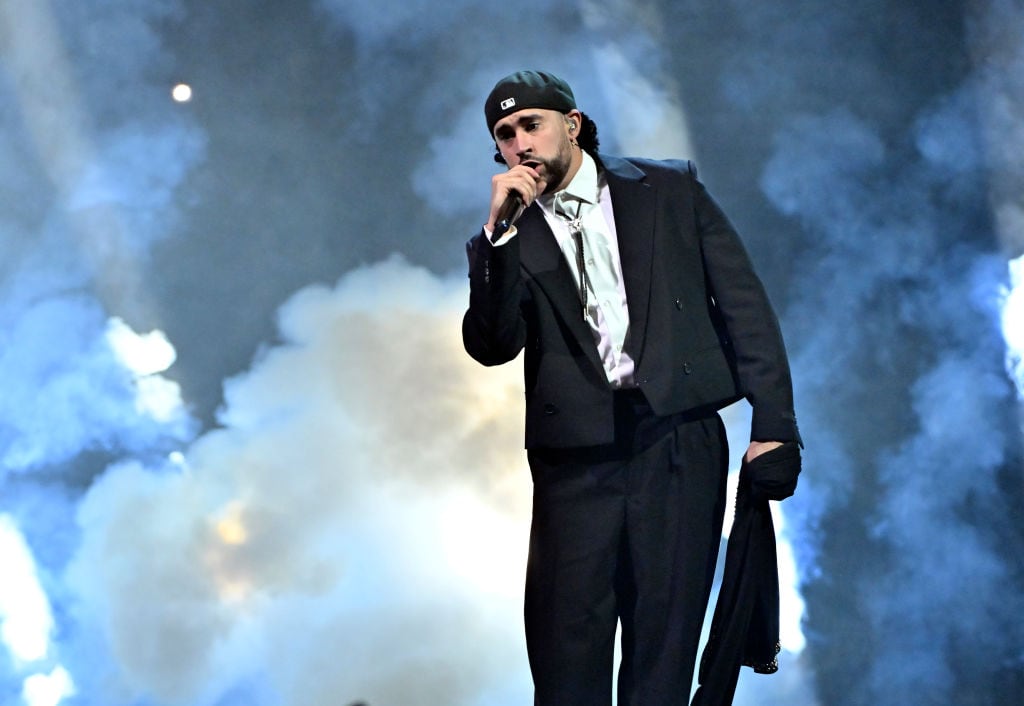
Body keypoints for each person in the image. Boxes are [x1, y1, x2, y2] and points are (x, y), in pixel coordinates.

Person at [461, 70, 802, 706]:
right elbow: (491, 344)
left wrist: (775, 423)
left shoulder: (667, 188)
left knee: (664, 646)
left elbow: (744, 305)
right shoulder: (508, 236)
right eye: (505, 135)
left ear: (572, 123)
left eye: (531, 124)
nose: (519, 143)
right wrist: (497, 237)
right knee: (566, 654)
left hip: (676, 439)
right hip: (575, 462)